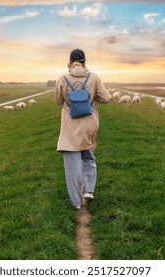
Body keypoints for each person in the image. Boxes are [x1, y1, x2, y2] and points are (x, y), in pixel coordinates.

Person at [54, 48, 111, 210]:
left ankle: (76, 203)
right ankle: (88, 190)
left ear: (70, 62)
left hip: (70, 123)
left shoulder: (63, 78)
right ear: (84, 61)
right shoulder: (94, 77)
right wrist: (91, 97)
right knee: (88, 156)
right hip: (89, 123)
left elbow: (58, 101)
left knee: (72, 164)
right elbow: (106, 98)